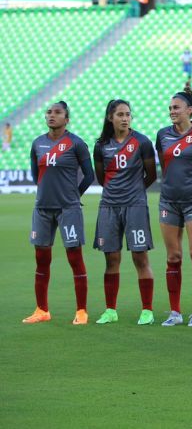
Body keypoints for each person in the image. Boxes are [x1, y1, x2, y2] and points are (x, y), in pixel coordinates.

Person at [24, 101, 94, 325]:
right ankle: (42, 309)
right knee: (41, 259)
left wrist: (74, 196)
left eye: (57, 112)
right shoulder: (37, 144)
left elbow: (89, 175)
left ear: (67, 118)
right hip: (42, 208)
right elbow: (36, 176)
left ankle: (81, 311)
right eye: (49, 112)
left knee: (75, 258)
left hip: (68, 209)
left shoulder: (76, 143)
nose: (52, 115)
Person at [155, 85, 192, 327]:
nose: (172, 111)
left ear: (189, 110)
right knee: (173, 256)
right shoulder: (162, 135)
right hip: (168, 200)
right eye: (170, 108)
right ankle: (175, 312)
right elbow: (165, 164)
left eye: (176, 108)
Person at [92, 99, 156, 325]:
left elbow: (151, 175)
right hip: (109, 206)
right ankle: (111, 310)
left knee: (140, 257)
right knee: (111, 259)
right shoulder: (101, 145)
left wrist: (134, 192)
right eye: (120, 114)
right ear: (111, 117)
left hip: (135, 206)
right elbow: (101, 178)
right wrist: (117, 193)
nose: (125, 118)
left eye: (128, 114)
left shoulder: (142, 142)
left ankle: (147, 310)